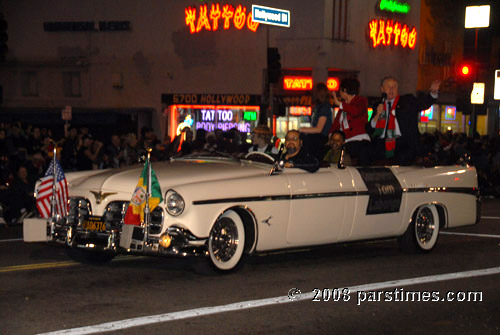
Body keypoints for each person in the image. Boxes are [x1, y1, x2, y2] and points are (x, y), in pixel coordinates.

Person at [366, 77, 441, 165]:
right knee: (365, 152)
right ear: (382, 89)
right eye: (388, 87)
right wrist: (377, 116)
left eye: (394, 87)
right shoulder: (378, 105)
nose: (391, 89)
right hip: (382, 143)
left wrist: (433, 92)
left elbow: (423, 104)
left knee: (403, 156)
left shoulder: (407, 101)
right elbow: (369, 129)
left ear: (397, 90)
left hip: (403, 142)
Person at [330, 77, 370, 165]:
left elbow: (356, 111)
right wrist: (330, 136)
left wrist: (339, 104)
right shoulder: (343, 106)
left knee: (344, 153)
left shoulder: (361, 101)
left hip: (359, 139)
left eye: (340, 90)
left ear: (344, 90)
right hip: (346, 141)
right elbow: (336, 124)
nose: (339, 93)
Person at [299, 82, 333, 160]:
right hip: (319, 139)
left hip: (320, 140)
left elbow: (319, 129)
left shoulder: (324, 107)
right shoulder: (319, 107)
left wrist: (301, 129)